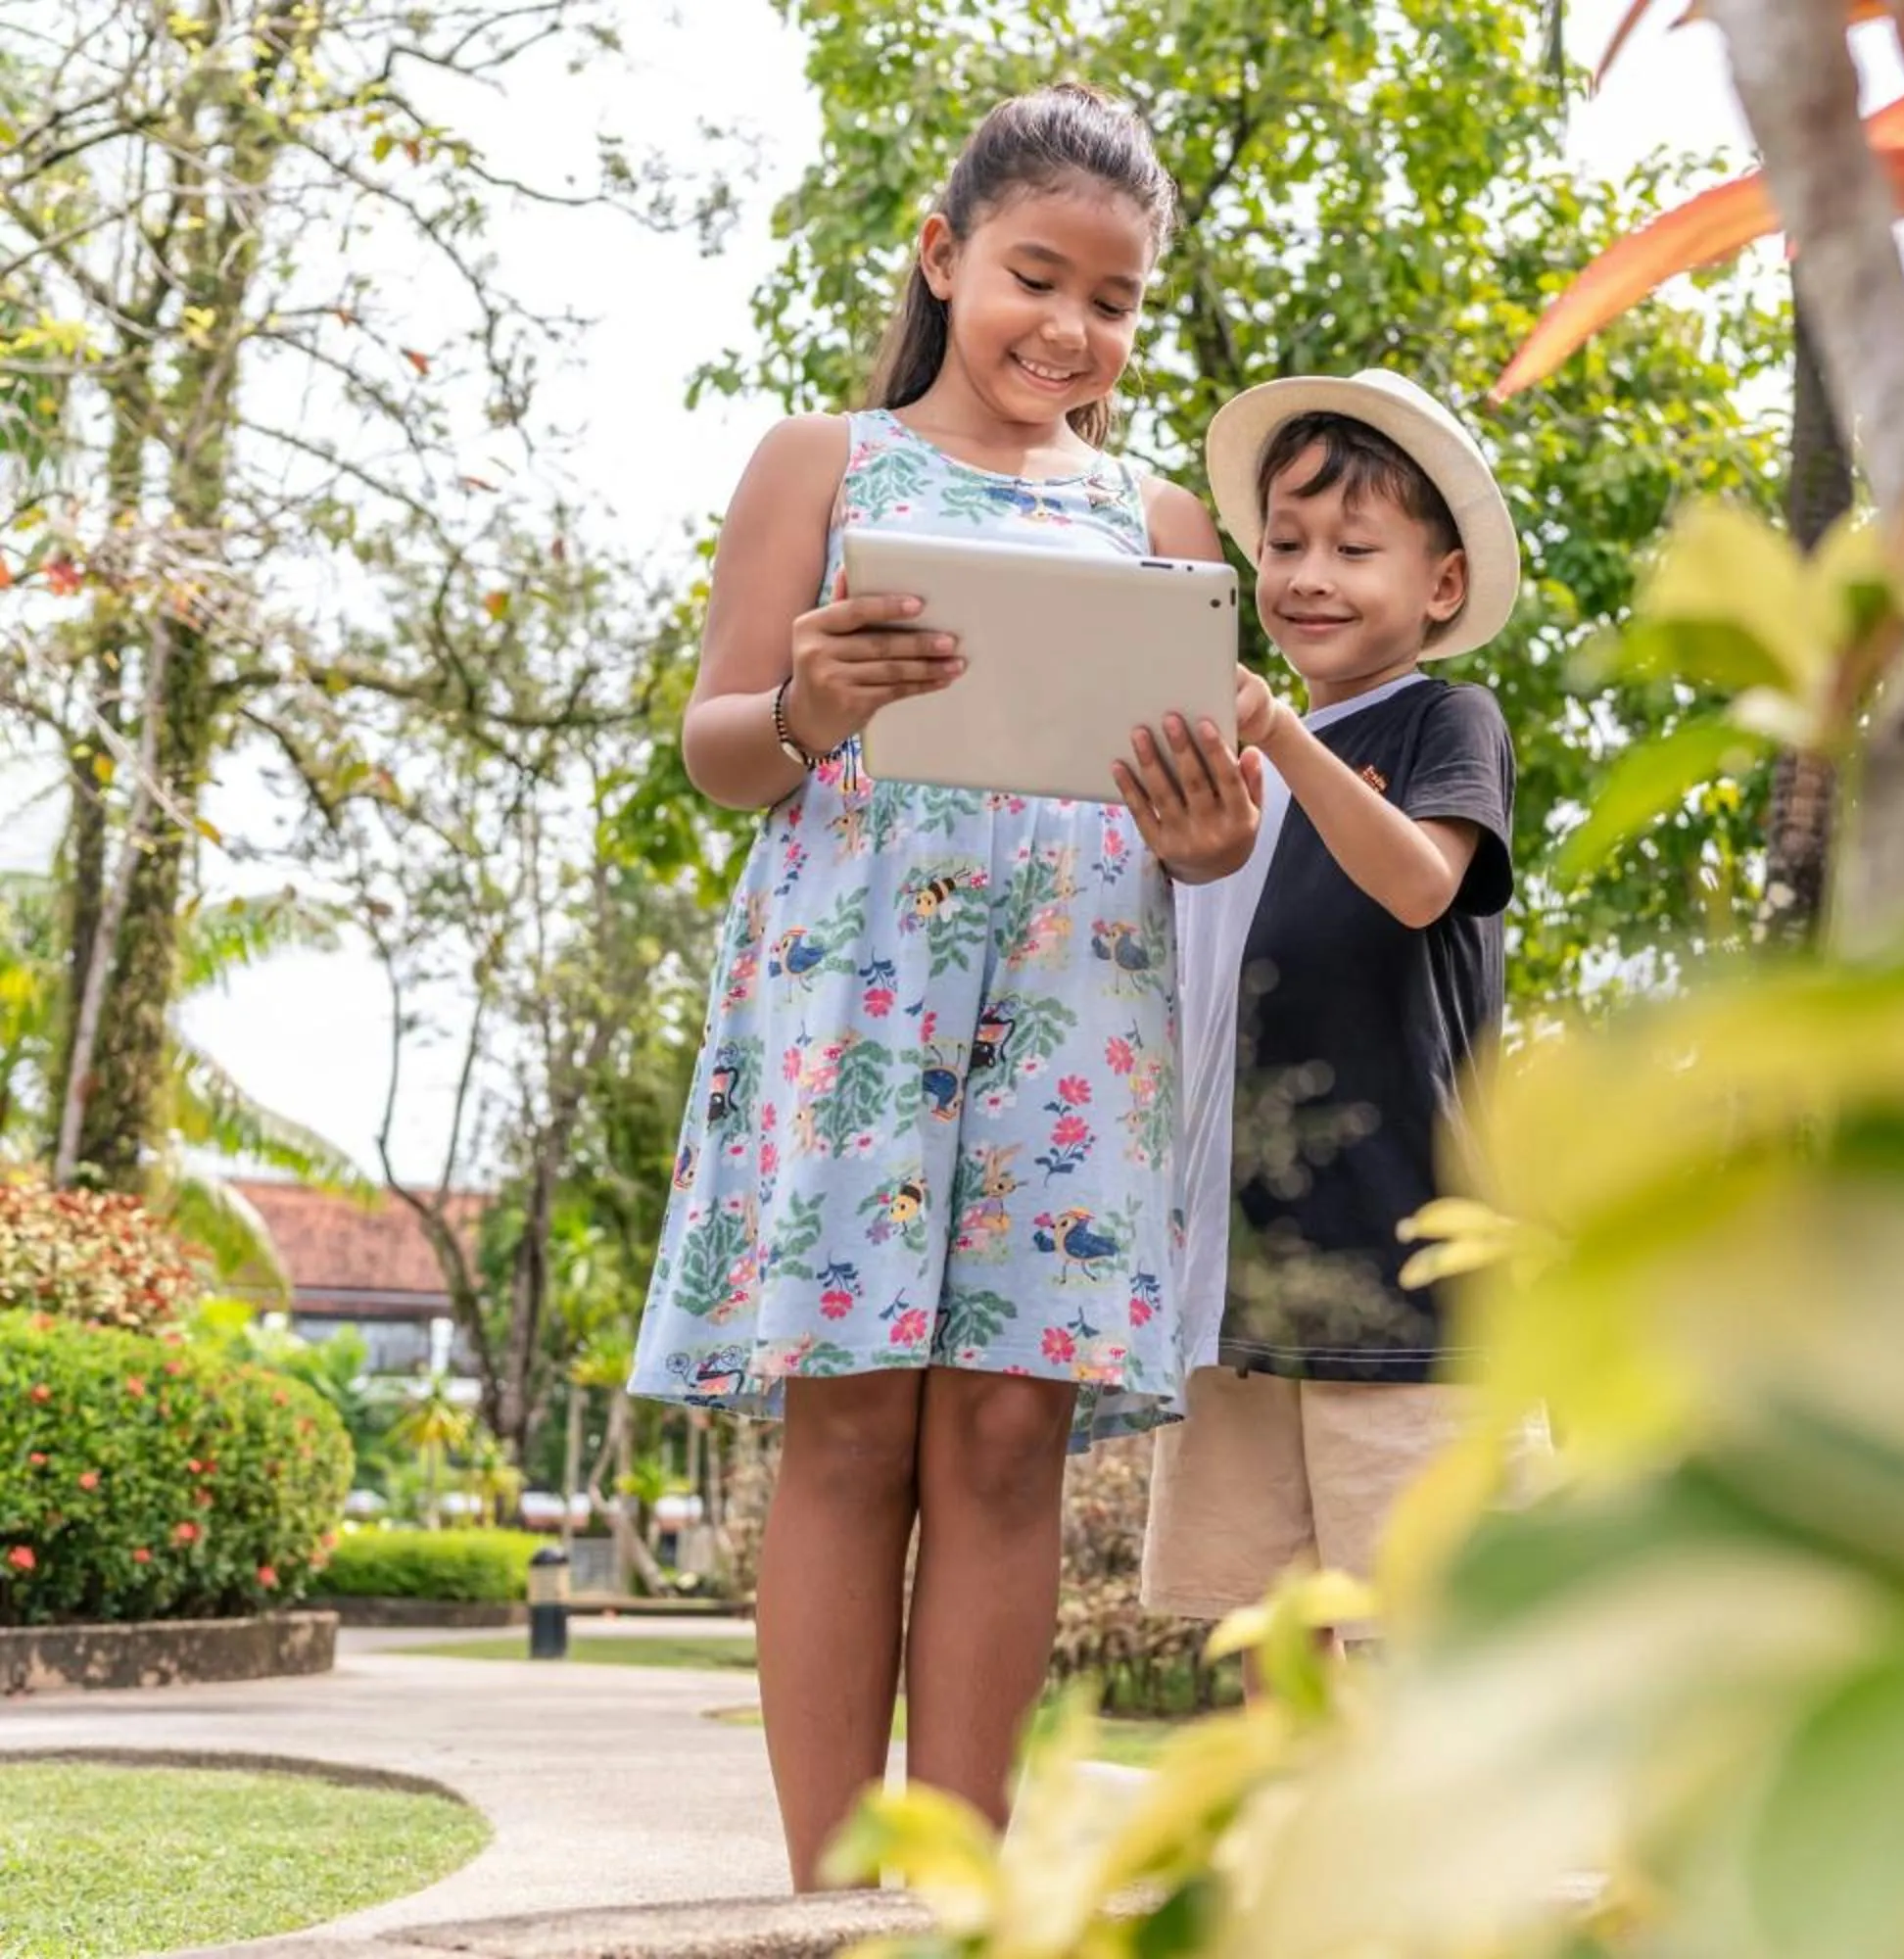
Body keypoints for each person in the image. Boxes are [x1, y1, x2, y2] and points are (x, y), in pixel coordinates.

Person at [628, 82, 1260, 1887]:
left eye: (1114, 300)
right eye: (1035, 277)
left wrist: (1209, 834)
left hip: (1080, 1005)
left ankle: (959, 1899)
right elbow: (721, 752)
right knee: (847, 1417)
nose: (1071, 329)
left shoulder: (1162, 521)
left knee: (1003, 1434)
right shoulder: (818, 463)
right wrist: (812, 707)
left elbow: (1205, 846)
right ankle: (830, 1902)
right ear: (943, 254)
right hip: (856, 995)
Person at [1141, 369, 1524, 1689]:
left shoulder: (1442, 721)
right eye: (1287, 546)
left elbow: (1422, 878)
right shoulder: (1238, 774)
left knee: (1417, 1633)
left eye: (1355, 550)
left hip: (1401, 1268)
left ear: (1440, 585)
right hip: (1248, 1280)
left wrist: (1289, 746)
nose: (1309, 575)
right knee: (1271, 1628)